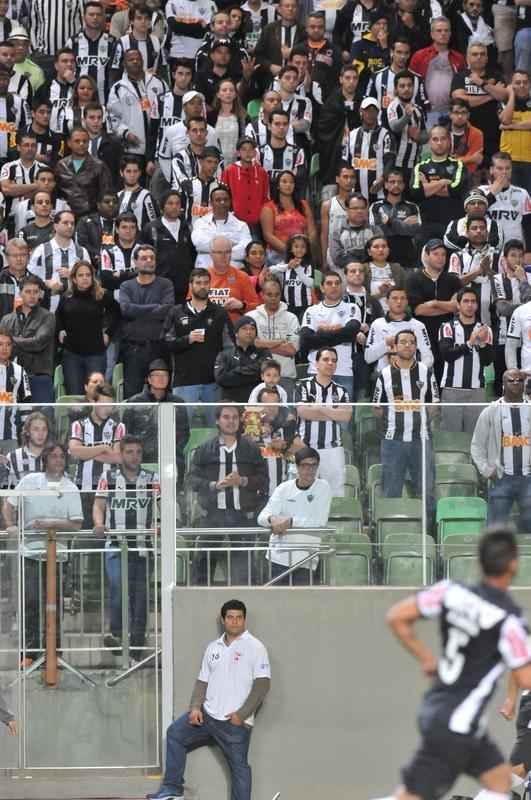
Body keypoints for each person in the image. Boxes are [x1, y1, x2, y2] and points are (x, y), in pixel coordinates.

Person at [373, 525, 531, 800]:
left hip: (439, 708)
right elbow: (527, 678)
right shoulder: (509, 620)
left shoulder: (450, 591)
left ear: (480, 562)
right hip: (458, 722)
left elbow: (397, 617)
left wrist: (426, 658)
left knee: (501, 782)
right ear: (514, 565)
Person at [147, 599, 270, 800]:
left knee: (239, 768)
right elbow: (202, 681)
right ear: (223, 620)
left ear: (244, 620)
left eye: (239, 617)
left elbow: (262, 684)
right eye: (230, 617)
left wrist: (241, 715)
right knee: (175, 734)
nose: (235, 621)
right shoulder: (213, 647)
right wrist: (196, 707)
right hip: (207, 716)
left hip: (234, 723)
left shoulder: (255, 647)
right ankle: (172, 790)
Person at [3, 443, 83, 667]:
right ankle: (29, 653)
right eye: (53, 456)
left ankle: (54, 653)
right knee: (30, 603)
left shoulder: (70, 487)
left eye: (61, 456)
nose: (58, 460)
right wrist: (10, 525)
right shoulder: (29, 481)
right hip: (30, 553)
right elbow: (8, 504)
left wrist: (50, 523)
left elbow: (76, 524)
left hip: (57, 556)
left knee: (54, 605)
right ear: (45, 459)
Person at [93, 435, 159, 662]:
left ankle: (136, 650)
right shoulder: (108, 477)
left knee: (140, 599)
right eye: (129, 452)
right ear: (121, 454)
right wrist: (99, 523)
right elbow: (99, 505)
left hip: (143, 547)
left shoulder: (152, 477)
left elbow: (162, 505)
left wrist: (160, 524)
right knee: (118, 588)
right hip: (115, 545)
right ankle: (117, 635)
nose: (134, 456)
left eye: (138, 452)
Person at [188, 406, 268, 585]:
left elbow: (263, 480)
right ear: (217, 420)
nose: (230, 421)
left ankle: (246, 600)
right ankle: (200, 599)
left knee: (245, 572)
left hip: (242, 515)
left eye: (234, 417)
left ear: (240, 420)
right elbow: (191, 479)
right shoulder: (204, 449)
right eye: (226, 417)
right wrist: (214, 485)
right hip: (212, 515)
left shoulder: (251, 449)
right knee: (202, 571)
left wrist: (243, 481)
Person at [373, 328, 438, 516]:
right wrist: (392, 426)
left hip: (421, 440)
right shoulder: (384, 374)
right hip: (393, 441)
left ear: (416, 346)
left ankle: (427, 530)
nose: (408, 345)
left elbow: (434, 404)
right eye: (403, 342)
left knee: (426, 490)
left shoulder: (426, 372)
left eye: (412, 342)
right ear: (394, 346)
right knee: (391, 490)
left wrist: (420, 422)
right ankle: (391, 529)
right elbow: (377, 409)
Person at [161, 267, 233, 424]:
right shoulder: (176, 312)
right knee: (181, 428)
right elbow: (165, 342)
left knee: (216, 428)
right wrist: (187, 339)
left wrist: (221, 371)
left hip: (213, 382)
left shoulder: (219, 313)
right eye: (198, 283)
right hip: (184, 381)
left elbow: (230, 346)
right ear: (190, 285)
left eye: (206, 283)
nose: (202, 286)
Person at [257, 445, 331, 584]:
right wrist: (272, 519)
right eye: (305, 465)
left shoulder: (323, 487)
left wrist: (290, 522)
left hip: (306, 560)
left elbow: (319, 521)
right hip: (277, 558)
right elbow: (262, 517)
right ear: (297, 467)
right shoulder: (283, 488)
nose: (309, 469)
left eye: (313, 465)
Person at [471, 369, 531, 531]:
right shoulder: (491, 411)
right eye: (511, 380)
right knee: (495, 529)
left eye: (519, 380)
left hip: (528, 479)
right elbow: (477, 445)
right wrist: (486, 470)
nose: (516, 383)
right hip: (501, 478)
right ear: (503, 385)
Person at [295, 347, 352, 497]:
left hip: (333, 449)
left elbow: (346, 416)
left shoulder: (341, 390)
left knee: (335, 494)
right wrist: (334, 413)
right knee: (303, 494)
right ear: (316, 363)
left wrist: (320, 408)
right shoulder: (303, 386)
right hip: (306, 447)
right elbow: (303, 412)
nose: (330, 363)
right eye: (326, 360)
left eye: (334, 360)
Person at [119, 244, 175, 398]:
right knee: (132, 396)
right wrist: (155, 307)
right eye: (144, 258)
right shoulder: (126, 286)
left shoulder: (166, 284)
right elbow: (125, 310)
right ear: (135, 262)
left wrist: (137, 310)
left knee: (162, 395)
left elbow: (167, 310)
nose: (149, 261)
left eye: (152, 258)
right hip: (133, 349)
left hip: (159, 348)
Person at [56, 260, 119, 396]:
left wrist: (108, 333)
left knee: (95, 394)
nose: (85, 278)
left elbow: (116, 313)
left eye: (88, 275)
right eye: (81, 275)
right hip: (72, 354)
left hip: (96, 354)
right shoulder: (66, 296)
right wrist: (60, 330)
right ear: (74, 278)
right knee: (74, 395)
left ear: (92, 277)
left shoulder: (101, 295)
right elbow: (58, 315)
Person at [68, 380, 125, 526]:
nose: (107, 409)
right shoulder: (79, 425)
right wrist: (104, 447)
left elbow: (117, 457)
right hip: (83, 490)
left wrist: (86, 451)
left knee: (106, 532)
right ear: (93, 402)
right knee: (85, 534)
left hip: (109, 491)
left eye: (110, 405)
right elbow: (74, 450)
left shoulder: (118, 426)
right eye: (103, 404)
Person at [406, 239, 461, 384]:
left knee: (446, 371)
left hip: (447, 332)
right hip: (423, 332)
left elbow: (457, 306)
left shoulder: (452, 280)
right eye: (436, 254)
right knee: (425, 372)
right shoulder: (414, 279)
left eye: (443, 254)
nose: (440, 258)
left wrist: (435, 303)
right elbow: (419, 310)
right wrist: (446, 306)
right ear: (427, 255)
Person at [439, 287, 493, 433]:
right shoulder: (447, 327)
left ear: (477, 305)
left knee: (475, 435)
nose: (470, 305)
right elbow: (447, 355)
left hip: (477, 390)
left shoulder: (485, 330)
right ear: (458, 304)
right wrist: (470, 343)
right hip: (452, 389)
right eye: (466, 301)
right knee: (451, 436)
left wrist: (482, 343)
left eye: (473, 301)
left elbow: (487, 361)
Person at [124, 359, 190, 480]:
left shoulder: (178, 402)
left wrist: (172, 450)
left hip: (170, 454)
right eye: (157, 375)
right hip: (140, 453)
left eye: (165, 375)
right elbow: (127, 432)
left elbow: (184, 433)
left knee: (177, 463)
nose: (161, 378)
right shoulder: (134, 402)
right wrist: (138, 450)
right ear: (149, 379)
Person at [300, 272, 361, 400]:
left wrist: (321, 332)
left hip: (343, 371)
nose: (334, 286)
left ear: (342, 286)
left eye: (337, 283)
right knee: (314, 412)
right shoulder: (311, 311)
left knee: (344, 412)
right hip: (316, 372)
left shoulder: (352, 308)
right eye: (329, 283)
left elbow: (350, 333)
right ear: (322, 288)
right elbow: (306, 340)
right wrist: (339, 330)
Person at [451, 40, 507, 167]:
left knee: (490, 170)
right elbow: (462, 100)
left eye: (482, 54)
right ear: (468, 58)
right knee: (467, 171)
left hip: (492, 133)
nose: (479, 57)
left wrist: (481, 82)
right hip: (466, 134)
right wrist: (491, 95)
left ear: (487, 58)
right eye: (475, 54)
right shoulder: (460, 77)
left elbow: (503, 95)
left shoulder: (496, 75)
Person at [1, 274, 55, 402]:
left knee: (42, 414)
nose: (32, 295)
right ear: (20, 293)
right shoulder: (7, 319)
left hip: (38, 376)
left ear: (40, 294)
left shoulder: (48, 317)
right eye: (28, 292)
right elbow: (3, 347)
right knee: (10, 414)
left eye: (36, 292)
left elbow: (38, 343)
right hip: (11, 376)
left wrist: (12, 340)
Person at [410, 125, 468, 245]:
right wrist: (442, 182)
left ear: (449, 141)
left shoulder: (458, 165)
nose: (439, 143)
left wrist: (427, 186)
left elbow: (455, 190)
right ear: (429, 142)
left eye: (443, 139)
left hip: (453, 225)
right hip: (427, 225)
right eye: (435, 139)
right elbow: (416, 192)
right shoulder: (420, 167)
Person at [247, 275, 300, 398]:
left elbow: (291, 350)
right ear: (262, 295)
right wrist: (281, 342)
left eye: (277, 294)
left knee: (287, 411)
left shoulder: (291, 318)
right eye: (269, 294)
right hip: (257, 377)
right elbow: (248, 345)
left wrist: (261, 344)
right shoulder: (251, 317)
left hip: (285, 377)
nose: (273, 298)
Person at [28, 210, 90, 312]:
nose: (70, 226)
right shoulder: (41, 250)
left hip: (77, 310)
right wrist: (46, 284)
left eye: (72, 223)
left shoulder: (82, 252)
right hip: (46, 310)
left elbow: (91, 282)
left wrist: (72, 276)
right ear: (55, 226)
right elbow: (30, 279)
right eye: (65, 223)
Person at [408, 16, 465, 127]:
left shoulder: (459, 58)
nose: (443, 34)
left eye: (446, 30)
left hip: (452, 112)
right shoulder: (419, 56)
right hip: (426, 112)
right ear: (432, 34)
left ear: (450, 34)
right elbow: (410, 83)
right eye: (439, 30)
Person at [142, 190, 195, 304]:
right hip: (160, 287)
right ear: (162, 207)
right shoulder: (151, 228)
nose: (174, 207)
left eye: (177, 203)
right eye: (170, 203)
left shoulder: (188, 227)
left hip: (184, 287)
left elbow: (192, 255)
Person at [365, 286, 433, 374]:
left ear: (407, 302)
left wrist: (416, 372)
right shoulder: (377, 324)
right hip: (384, 377)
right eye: (395, 298)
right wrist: (385, 344)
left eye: (402, 298)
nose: (399, 302)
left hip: (411, 376)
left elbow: (428, 357)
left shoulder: (418, 325)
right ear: (387, 301)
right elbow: (368, 358)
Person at [316, 65, 360, 193]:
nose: (351, 82)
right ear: (341, 79)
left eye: (354, 78)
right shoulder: (331, 102)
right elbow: (323, 128)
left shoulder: (362, 102)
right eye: (348, 78)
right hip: (333, 154)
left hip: (356, 154)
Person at [260, 169, 317, 265]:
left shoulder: (303, 205)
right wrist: (290, 251)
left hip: (302, 254)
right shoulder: (268, 207)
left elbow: (312, 231)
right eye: (284, 182)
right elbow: (268, 236)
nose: (288, 185)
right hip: (277, 255)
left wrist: (303, 250)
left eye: (291, 182)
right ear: (278, 185)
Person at [55, 127, 113, 218]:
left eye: (84, 141)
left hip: (91, 216)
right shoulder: (61, 165)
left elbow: (106, 194)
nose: (81, 144)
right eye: (77, 141)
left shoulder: (99, 166)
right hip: (65, 215)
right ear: (69, 143)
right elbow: (56, 192)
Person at [368, 167, 421, 268]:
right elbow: (377, 231)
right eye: (392, 182)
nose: (396, 185)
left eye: (399, 182)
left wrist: (389, 222)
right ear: (386, 185)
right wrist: (404, 225)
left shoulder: (412, 207)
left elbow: (414, 231)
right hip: (382, 258)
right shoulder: (376, 206)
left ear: (404, 185)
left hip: (407, 259)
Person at [479, 152, 531, 253]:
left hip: (515, 251)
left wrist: (529, 251)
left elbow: (528, 225)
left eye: (507, 168)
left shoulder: (522, 193)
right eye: (500, 168)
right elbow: (475, 215)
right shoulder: (481, 191)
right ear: (491, 170)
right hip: (488, 250)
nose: (504, 172)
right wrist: (492, 194)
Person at [66, 1, 116, 104]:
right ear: (84, 17)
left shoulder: (112, 42)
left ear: (103, 17)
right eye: (91, 14)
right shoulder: (73, 42)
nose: (95, 17)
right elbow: (65, 71)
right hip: (77, 102)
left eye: (98, 14)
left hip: (104, 101)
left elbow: (116, 72)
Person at [191, 185, 252, 269]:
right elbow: (199, 244)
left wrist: (212, 246)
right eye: (218, 200)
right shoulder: (200, 223)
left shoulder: (241, 225)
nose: (222, 202)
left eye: (225, 199)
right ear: (211, 203)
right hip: (205, 272)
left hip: (233, 271)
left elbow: (244, 252)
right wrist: (231, 243)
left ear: (230, 202)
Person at [347, 96, 395, 202]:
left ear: (378, 113)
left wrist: (382, 179)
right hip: (356, 194)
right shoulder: (352, 135)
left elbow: (390, 161)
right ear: (361, 112)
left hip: (379, 194)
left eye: (373, 111)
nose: (370, 114)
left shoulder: (386, 135)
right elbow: (346, 162)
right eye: (367, 110)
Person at [214, 315, 271, 403]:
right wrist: (253, 373)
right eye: (244, 328)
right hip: (231, 405)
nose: (249, 332)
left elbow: (266, 372)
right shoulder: (225, 354)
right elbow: (221, 379)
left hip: (256, 404)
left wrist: (236, 371)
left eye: (252, 329)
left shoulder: (263, 352)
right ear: (236, 333)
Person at [204, 235, 259, 323]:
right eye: (219, 252)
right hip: (207, 326)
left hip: (234, 328)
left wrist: (242, 305)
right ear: (211, 254)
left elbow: (256, 307)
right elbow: (190, 305)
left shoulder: (242, 277)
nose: (223, 256)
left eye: (227, 252)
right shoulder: (202, 276)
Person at [221, 137, 269, 234]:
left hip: (256, 222)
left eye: (251, 149)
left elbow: (265, 197)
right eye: (244, 149)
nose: (248, 152)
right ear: (238, 153)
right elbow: (223, 195)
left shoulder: (261, 172)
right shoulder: (229, 171)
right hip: (235, 222)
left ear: (255, 153)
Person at [329, 192, 383, 271]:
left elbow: (380, 253)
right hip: (346, 273)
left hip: (372, 272)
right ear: (347, 210)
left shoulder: (376, 231)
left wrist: (351, 253)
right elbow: (337, 258)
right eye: (355, 208)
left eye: (363, 208)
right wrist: (365, 255)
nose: (359, 211)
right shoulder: (337, 232)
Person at [499, 70, 531, 195]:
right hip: (508, 160)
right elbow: (505, 120)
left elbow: (507, 124)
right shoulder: (505, 101)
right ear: (511, 85)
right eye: (517, 83)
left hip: (529, 160)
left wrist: (511, 126)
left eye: (525, 82)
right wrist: (511, 95)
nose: (522, 85)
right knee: (510, 198)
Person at [0, 327, 31, 454]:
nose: (4, 348)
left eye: (8, 344)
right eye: (0, 344)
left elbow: (26, 405)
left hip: (10, 437)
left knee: (12, 466)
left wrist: (26, 436)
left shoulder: (20, 371)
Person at [320, 162, 355, 271]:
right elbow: (324, 234)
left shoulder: (362, 203)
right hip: (334, 256)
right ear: (337, 179)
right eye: (345, 177)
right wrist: (324, 260)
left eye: (352, 177)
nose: (349, 180)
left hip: (355, 256)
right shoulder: (328, 205)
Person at [5, 410, 50, 488]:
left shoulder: (54, 456)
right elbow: (7, 490)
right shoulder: (13, 457)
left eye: (44, 429)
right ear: (27, 432)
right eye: (36, 429)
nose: (41, 433)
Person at [180, 146, 221, 228]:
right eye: (209, 161)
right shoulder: (187, 185)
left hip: (213, 232)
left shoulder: (220, 187)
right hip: (191, 232)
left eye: (215, 162)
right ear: (201, 161)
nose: (213, 166)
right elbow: (179, 211)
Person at [117, 156, 158, 231]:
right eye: (128, 171)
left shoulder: (146, 196)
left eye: (135, 171)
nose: (132, 175)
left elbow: (154, 223)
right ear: (121, 173)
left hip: (141, 238)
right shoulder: (118, 196)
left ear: (139, 173)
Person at [447, 98, 484, 176]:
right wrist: (470, 159)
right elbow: (441, 160)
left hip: (467, 175)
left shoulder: (477, 134)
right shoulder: (442, 132)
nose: (460, 116)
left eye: (463, 112)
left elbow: (474, 164)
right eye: (456, 112)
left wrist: (453, 160)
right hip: (444, 174)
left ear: (468, 115)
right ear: (450, 114)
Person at [0, 238, 30, 320]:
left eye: (23, 255)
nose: (19, 259)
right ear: (7, 258)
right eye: (14, 255)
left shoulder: (36, 282)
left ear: (28, 257)